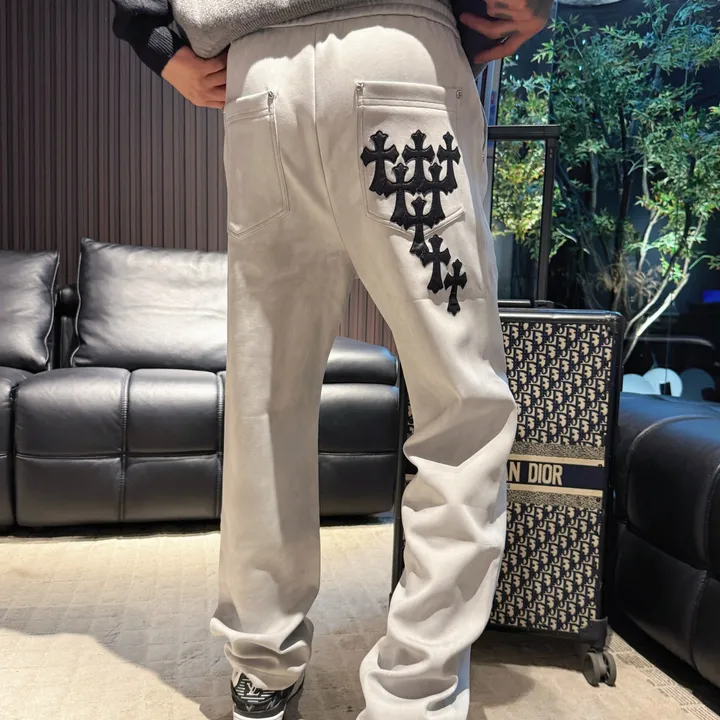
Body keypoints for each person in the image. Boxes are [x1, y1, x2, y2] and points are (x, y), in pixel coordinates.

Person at [111, 1, 552, 719]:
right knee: (461, 411)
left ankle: (262, 665)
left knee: (265, 402)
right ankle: (413, 695)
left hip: (260, 82)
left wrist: (153, 36)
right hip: (400, 58)